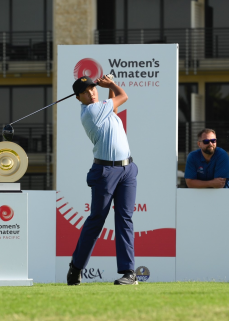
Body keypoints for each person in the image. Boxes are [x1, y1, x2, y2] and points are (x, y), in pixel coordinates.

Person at [66, 75, 138, 286]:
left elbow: (114, 111)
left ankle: (129, 273)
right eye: (86, 91)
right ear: (78, 97)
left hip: (127, 170)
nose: (91, 92)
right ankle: (76, 267)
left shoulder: (103, 109)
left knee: (125, 219)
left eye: (93, 88)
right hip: (105, 172)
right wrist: (111, 85)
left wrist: (106, 89)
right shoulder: (91, 111)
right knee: (96, 220)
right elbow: (123, 96)